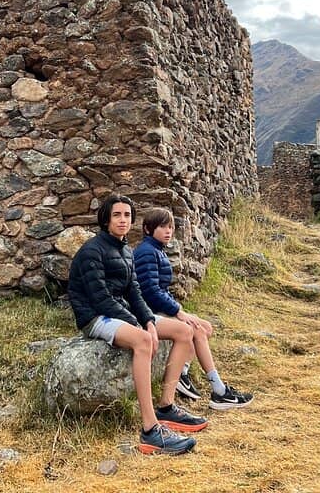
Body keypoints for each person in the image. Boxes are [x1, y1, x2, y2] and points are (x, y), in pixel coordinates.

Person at [68, 194, 208, 455]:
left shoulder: (125, 250)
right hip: (95, 318)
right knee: (143, 341)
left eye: (127, 215)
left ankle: (166, 406)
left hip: (122, 314)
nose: (123, 220)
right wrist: (139, 326)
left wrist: (148, 321)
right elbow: (100, 299)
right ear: (106, 218)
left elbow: (135, 293)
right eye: (117, 215)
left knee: (184, 330)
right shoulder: (91, 251)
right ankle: (150, 430)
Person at [133, 207, 254, 410]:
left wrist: (178, 311)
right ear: (147, 229)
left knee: (206, 327)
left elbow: (158, 289)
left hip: (157, 309)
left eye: (170, 226)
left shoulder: (155, 250)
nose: (168, 231)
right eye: (162, 226)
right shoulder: (146, 252)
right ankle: (219, 390)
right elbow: (150, 291)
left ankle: (182, 373)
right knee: (196, 328)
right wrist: (178, 312)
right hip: (147, 312)